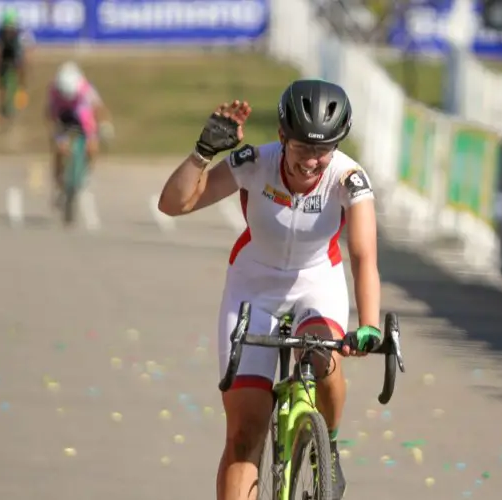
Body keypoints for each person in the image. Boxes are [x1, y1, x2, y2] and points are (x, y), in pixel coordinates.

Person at [157, 79, 383, 500]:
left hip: (317, 283)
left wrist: (369, 324)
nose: (313, 162)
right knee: (244, 434)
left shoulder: (348, 178)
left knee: (324, 353)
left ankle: (327, 447)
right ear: (282, 136)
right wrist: (202, 154)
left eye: (323, 150)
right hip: (252, 287)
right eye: (302, 149)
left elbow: (363, 256)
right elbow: (173, 204)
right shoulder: (255, 163)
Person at [45, 61, 114, 205]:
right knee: (59, 150)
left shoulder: (86, 89)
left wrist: (105, 124)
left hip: (82, 117)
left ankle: (86, 173)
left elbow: (98, 108)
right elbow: (50, 115)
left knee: (92, 147)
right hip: (63, 117)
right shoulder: (54, 91)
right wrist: (56, 136)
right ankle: (59, 183)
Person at [0, 8, 34, 123]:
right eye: (6, 27)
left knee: (20, 68)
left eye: (10, 27)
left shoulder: (20, 34)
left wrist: (24, 62)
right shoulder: (0, 33)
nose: (8, 29)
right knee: (1, 83)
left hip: (15, 51)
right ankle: (2, 109)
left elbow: (25, 51)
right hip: (5, 53)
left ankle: (21, 90)